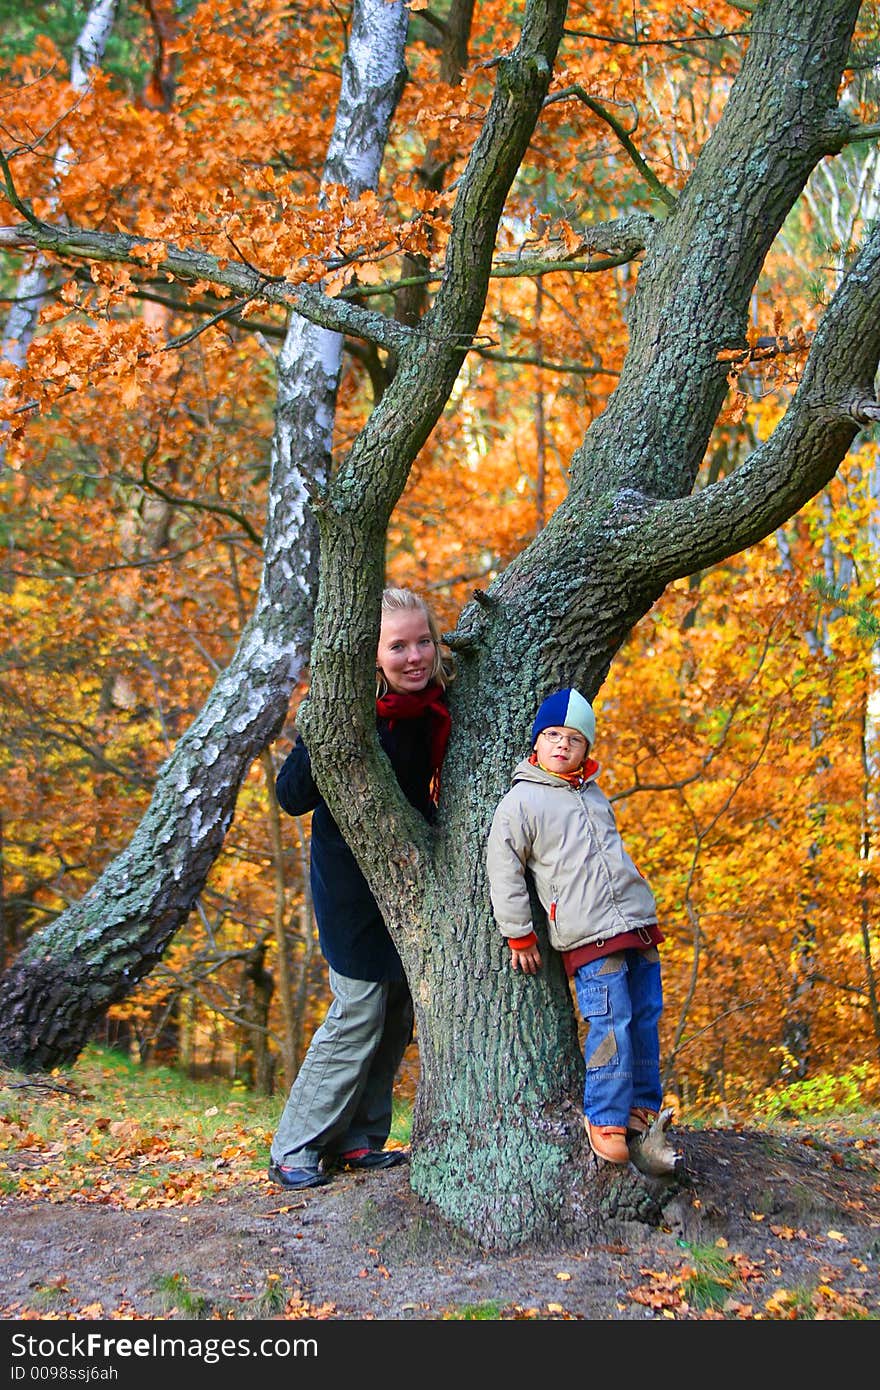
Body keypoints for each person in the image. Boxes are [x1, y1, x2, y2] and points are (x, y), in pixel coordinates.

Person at [268, 587, 455, 1190]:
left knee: (398, 1009)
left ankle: (358, 1139)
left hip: (406, 884)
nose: (414, 656)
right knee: (359, 1009)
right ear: (370, 655)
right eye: (397, 646)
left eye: (422, 640)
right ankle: (295, 1146)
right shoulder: (349, 712)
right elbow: (291, 797)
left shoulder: (434, 709)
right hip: (350, 887)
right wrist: (320, 727)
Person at [486, 687, 671, 1167]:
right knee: (611, 1020)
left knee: (647, 1012)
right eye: (552, 735)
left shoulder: (593, 793)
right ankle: (606, 1113)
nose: (562, 745)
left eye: (573, 739)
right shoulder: (521, 801)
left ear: (587, 749)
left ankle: (640, 1107)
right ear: (536, 743)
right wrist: (520, 933)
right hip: (588, 933)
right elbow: (502, 866)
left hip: (636, 922)